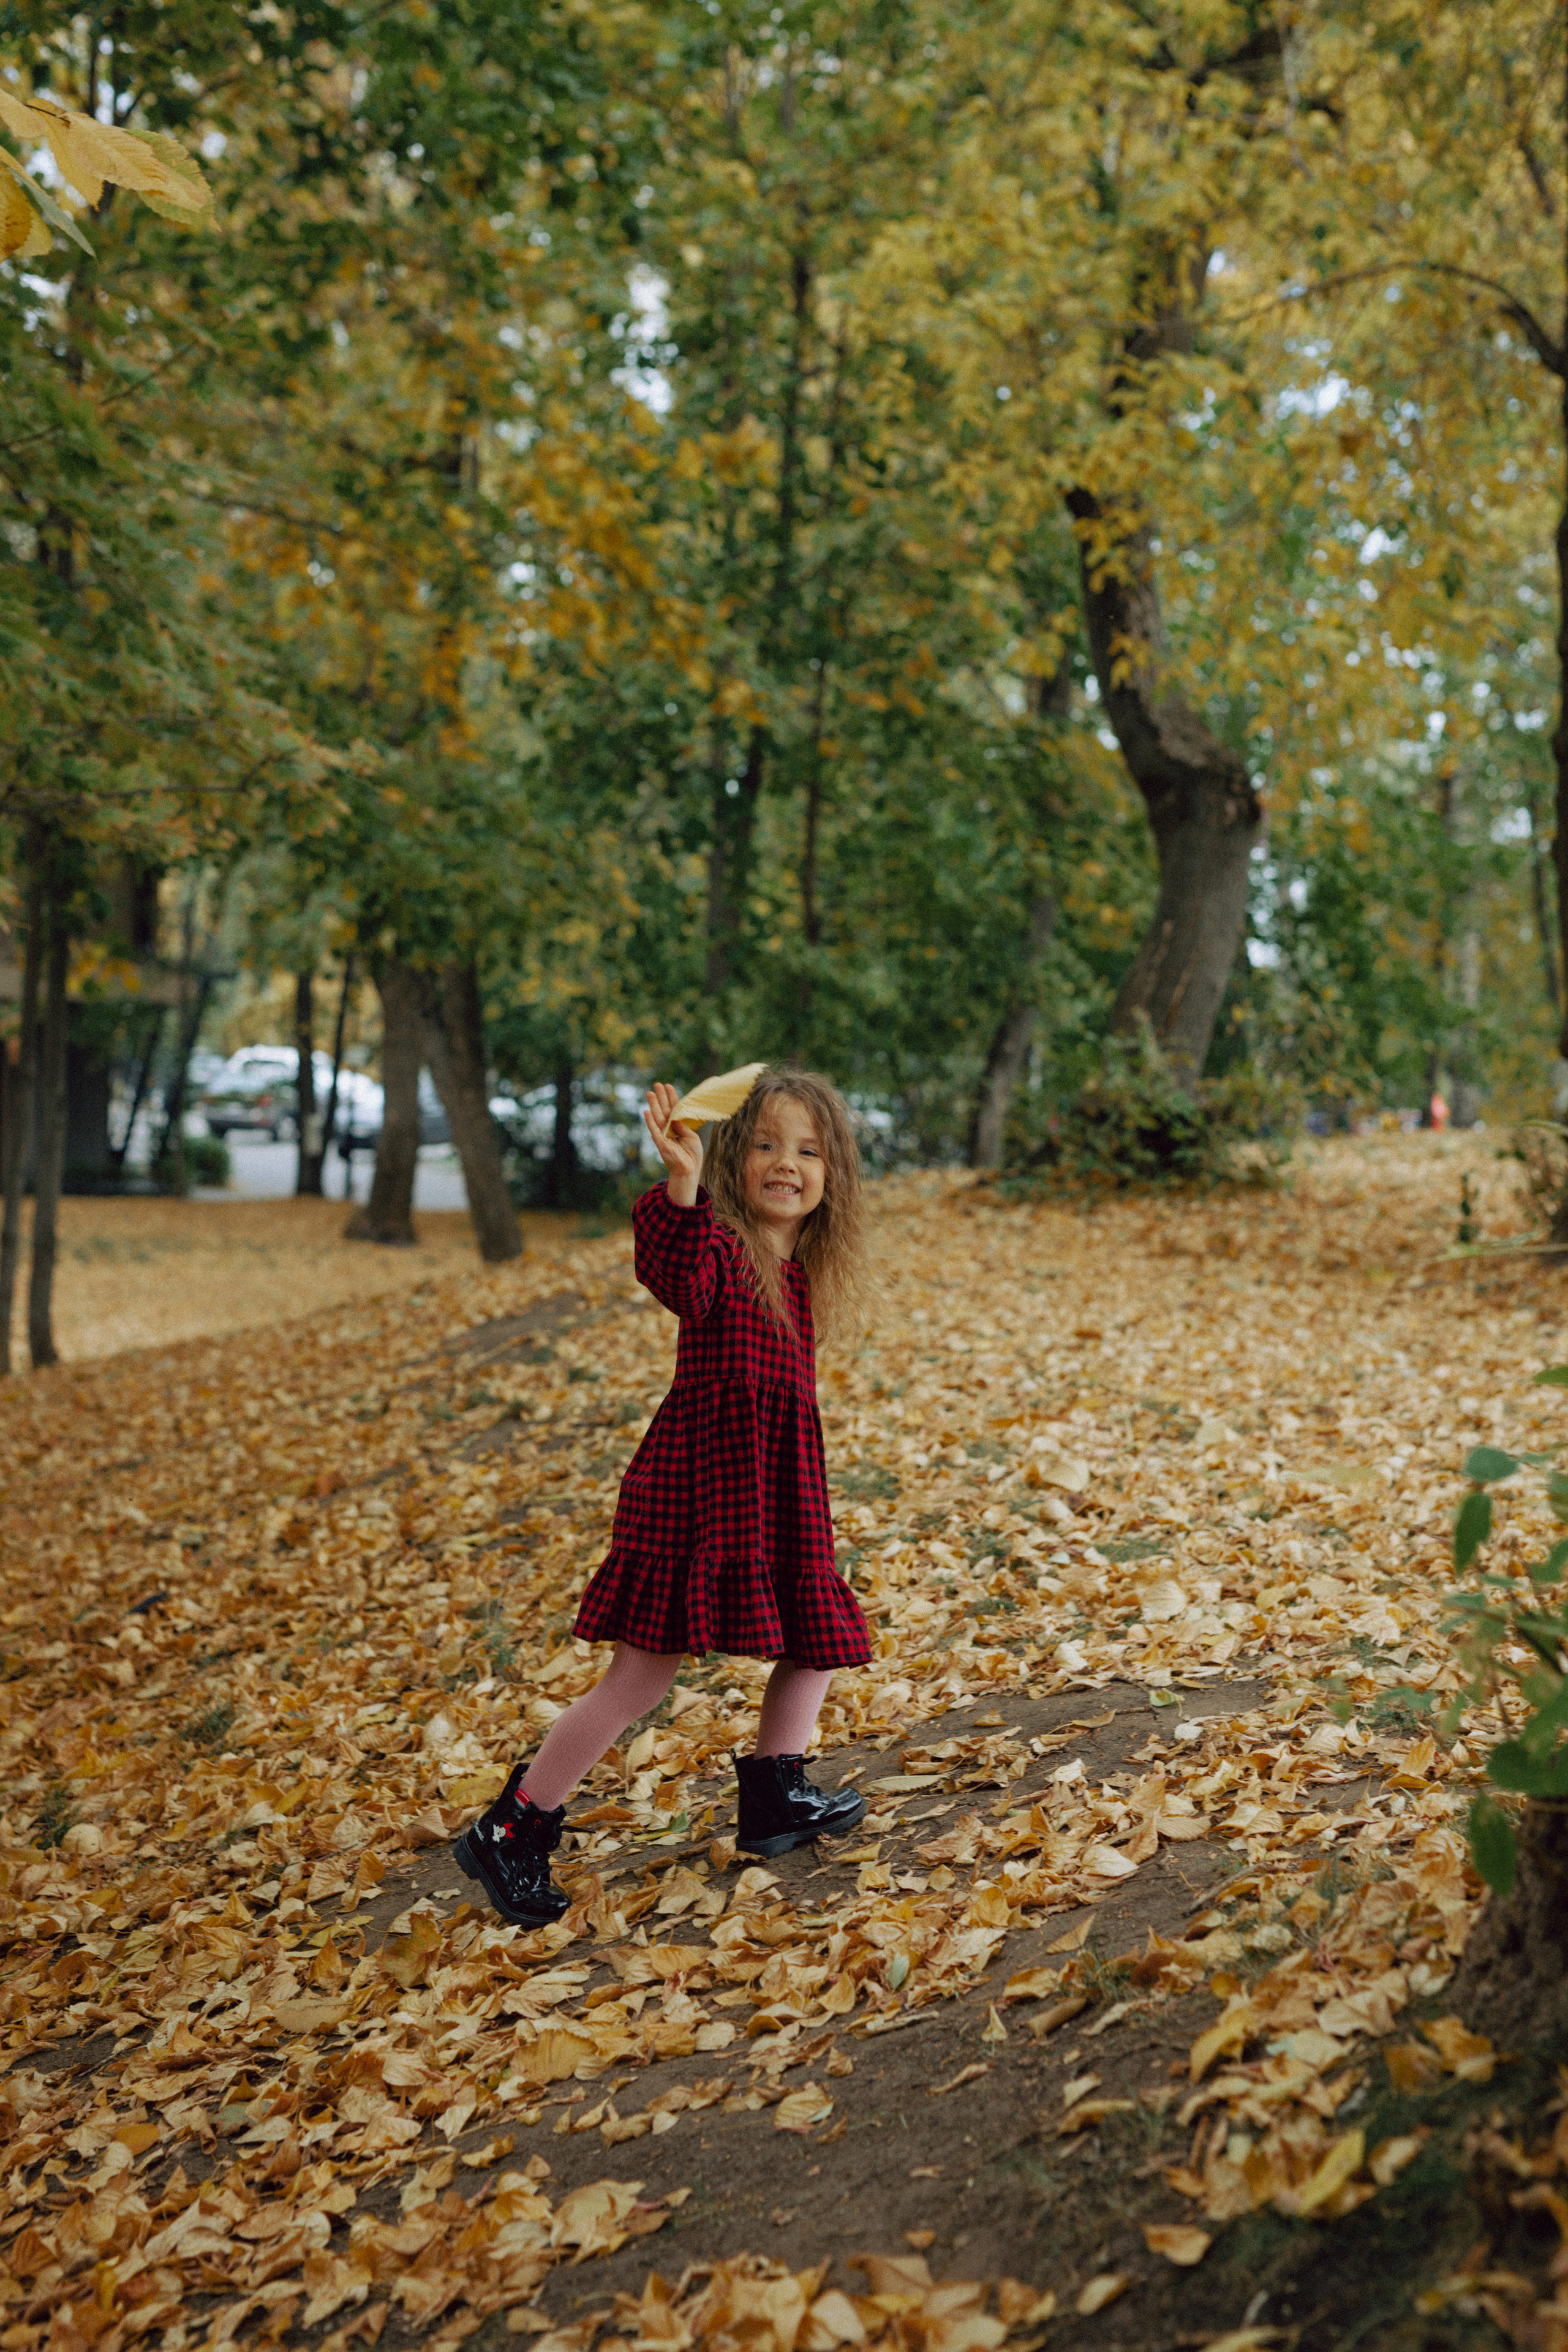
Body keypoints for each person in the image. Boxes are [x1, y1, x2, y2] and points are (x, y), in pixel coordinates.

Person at [454, 1065, 873, 1926]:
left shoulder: (798, 1280)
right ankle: (514, 1827)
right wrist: (681, 1186)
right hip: (698, 1493)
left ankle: (774, 1797)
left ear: (833, 1174)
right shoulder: (718, 1247)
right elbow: (678, 1276)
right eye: (763, 1144)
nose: (784, 1163)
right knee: (640, 1678)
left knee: (819, 1636)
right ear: (732, 1159)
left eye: (806, 1150)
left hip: (776, 1497)